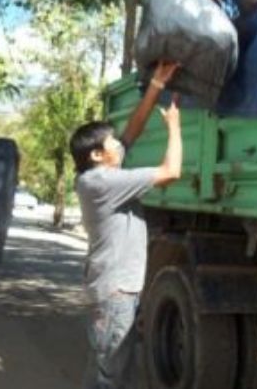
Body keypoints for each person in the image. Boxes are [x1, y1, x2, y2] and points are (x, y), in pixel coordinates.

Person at [70, 62, 182, 389]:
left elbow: (133, 129)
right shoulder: (103, 182)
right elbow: (171, 172)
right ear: (97, 155)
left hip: (112, 290)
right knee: (112, 375)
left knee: (105, 370)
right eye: (112, 143)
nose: (119, 144)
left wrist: (156, 84)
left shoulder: (93, 177)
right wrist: (174, 127)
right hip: (115, 294)